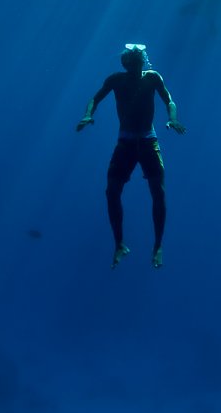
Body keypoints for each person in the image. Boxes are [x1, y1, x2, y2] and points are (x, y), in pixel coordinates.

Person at [76, 44, 185, 269]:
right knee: (112, 192)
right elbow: (95, 99)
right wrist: (87, 115)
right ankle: (120, 244)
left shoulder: (152, 77)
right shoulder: (117, 80)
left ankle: (157, 246)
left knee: (158, 192)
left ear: (143, 62)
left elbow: (169, 100)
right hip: (126, 142)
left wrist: (173, 118)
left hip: (147, 140)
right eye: (131, 64)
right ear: (125, 64)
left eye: (138, 63)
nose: (135, 67)